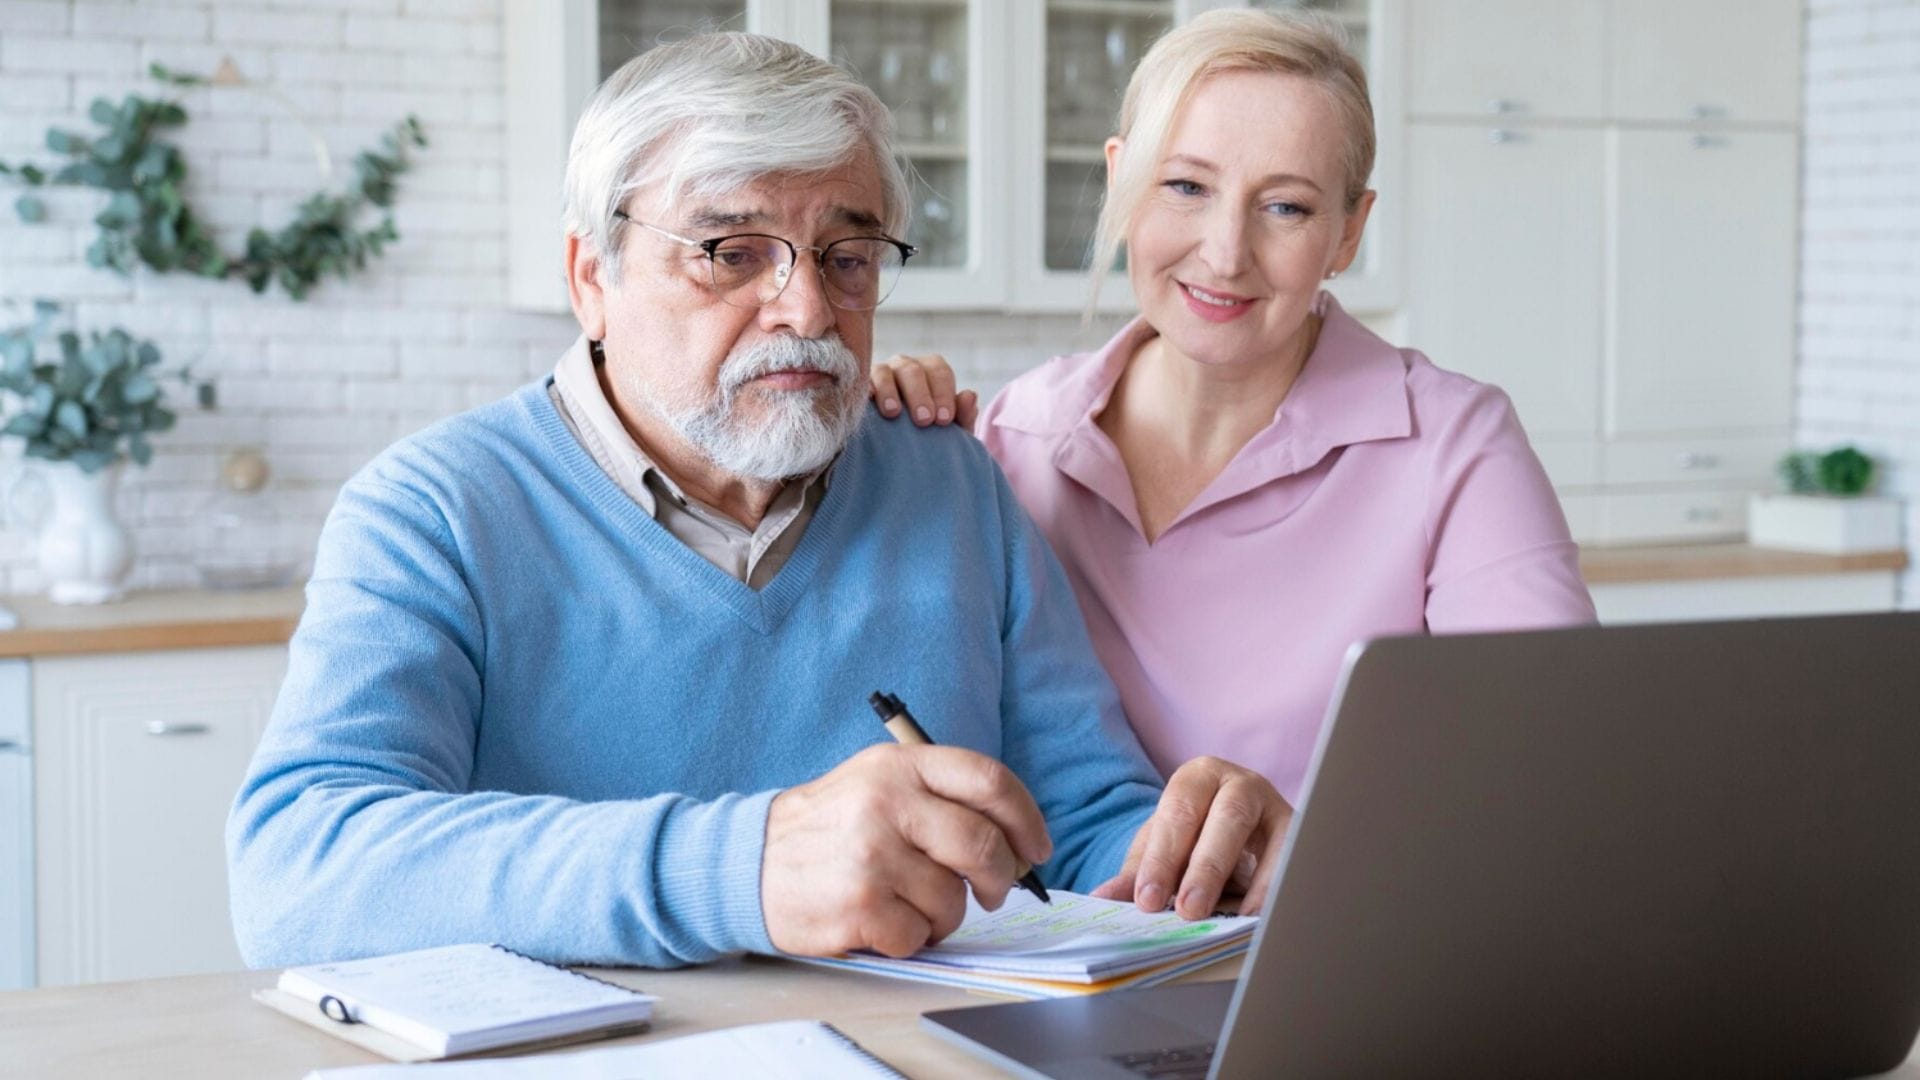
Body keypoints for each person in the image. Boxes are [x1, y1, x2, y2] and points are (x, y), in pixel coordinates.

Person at [226, 32, 1292, 972]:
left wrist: (1198, 859)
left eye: (849, 257)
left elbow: (1082, 823)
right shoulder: (435, 512)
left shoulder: (951, 484)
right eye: (732, 255)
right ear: (592, 276)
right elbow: (298, 872)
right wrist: (744, 866)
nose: (808, 309)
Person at [872, 10, 1597, 806]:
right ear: (1121, 181)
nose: (1225, 253)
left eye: (1286, 207)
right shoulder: (1018, 436)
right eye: (1186, 187)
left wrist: (1304, 848)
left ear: (1348, 232)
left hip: (1335, 891)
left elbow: (1550, 780)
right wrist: (878, 447)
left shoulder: (1453, 448)